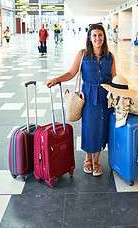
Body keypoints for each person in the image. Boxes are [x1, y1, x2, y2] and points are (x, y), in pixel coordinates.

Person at [47, 23, 116, 177]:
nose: (97, 38)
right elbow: (71, 73)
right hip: (89, 97)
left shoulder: (110, 56)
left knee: (102, 129)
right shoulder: (83, 54)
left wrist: (122, 91)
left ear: (104, 37)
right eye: (94, 35)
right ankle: (87, 159)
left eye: (100, 35)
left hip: (105, 97)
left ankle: (96, 161)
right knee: (90, 128)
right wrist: (57, 79)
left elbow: (114, 78)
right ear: (90, 38)